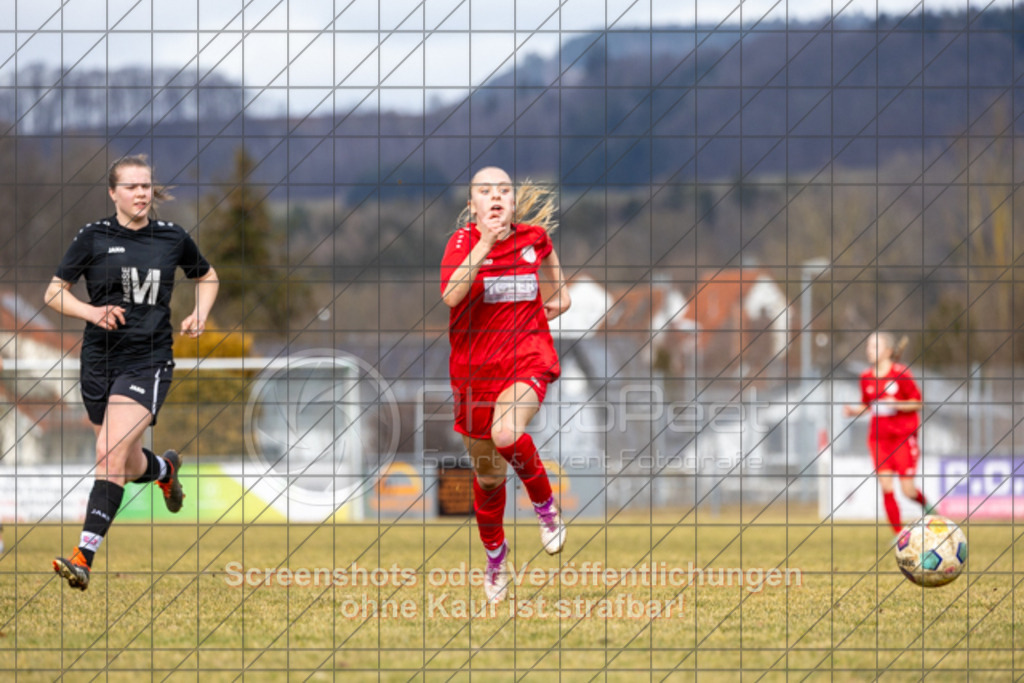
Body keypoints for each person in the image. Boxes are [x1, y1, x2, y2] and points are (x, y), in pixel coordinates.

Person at [44, 155, 219, 591]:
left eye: (146, 185)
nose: (142, 193)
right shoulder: (93, 237)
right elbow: (54, 293)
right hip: (98, 362)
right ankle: (164, 470)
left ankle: (83, 558)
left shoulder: (172, 237)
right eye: (131, 186)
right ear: (113, 193)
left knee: (108, 452)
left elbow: (208, 276)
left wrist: (199, 313)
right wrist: (92, 312)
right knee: (121, 458)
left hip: (148, 359)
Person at [440, 166, 571, 603]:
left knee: (506, 433)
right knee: (489, 476)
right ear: (472, 205)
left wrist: (557, 296)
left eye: (503, 190)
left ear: (513, 202)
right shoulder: (462, 244)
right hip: (474, 373)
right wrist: (485, 244)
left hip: (526, 360)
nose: (495, 196)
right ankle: (496, 557)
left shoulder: (533, 238)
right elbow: (451, 296)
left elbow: (553, 270)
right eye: (485, 190)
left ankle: (546, 509)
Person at [843, 332, 932, 534]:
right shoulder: (865, 377)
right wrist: (853, 411)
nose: (869, 350)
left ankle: (929, 509)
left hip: (902, 437)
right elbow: (868, 406)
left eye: (875, 346)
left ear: (889, 351)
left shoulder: (901, 374)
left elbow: (918, 402)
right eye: (868, 346)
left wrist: (897, 404)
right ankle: (899, 535)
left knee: (908, 490)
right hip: (879, 439)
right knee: (886, 485)